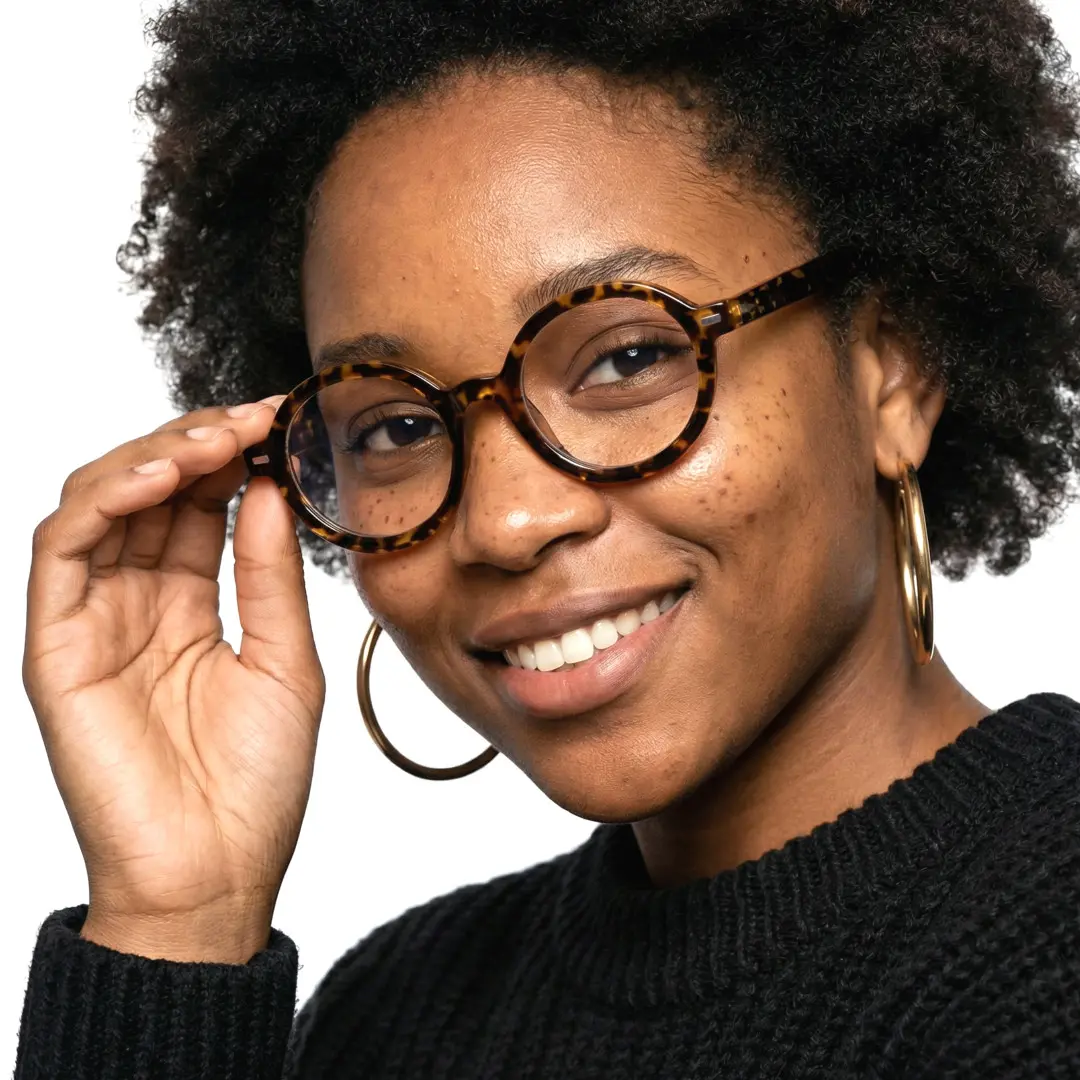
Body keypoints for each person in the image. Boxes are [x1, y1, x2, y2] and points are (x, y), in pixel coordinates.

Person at [15, 0, 1080, 1076]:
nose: (506, 521)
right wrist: (176, 929)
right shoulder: (391, 1020)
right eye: (397, 427)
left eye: (626, 358)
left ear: (895, 370)